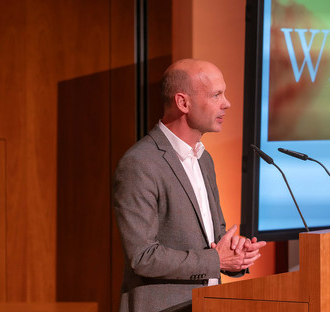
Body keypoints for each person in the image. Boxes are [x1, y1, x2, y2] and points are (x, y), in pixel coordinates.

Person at [113, 59, 266, 312]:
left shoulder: (204, 159)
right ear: (183, 102)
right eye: (216, 95)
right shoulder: (139, 163)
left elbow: (214, 243)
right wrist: (217, 259)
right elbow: (142, 257)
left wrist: (234, 255)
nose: (226, 103)